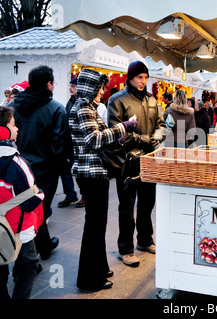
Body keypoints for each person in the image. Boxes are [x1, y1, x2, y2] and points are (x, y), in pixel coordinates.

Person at [69, 68, 137, 291]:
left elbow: (96, 136)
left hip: (94, 173)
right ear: (90, 88)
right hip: (91, 174)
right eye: (99, 88)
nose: (101, 92)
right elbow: (93, 139)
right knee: (95, 227)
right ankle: (90, 279)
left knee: (97, 225)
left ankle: (99, 268)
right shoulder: (83, 108)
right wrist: (122, 127)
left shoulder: (86, 107)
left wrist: (116, 132)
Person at [107, 61, 166, 267]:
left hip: (150, 159)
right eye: (139, 77)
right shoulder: (117, 100)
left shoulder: (152, 100)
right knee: (127, 207)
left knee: (147, 203)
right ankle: (125, 248)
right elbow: (117, 131)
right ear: (130, 77)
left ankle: (145, 240)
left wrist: (158, 135)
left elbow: (161, 124)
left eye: (145, 77)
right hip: (128, 161)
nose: (143, 81)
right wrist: (144, 140)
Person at [0, 103, 44, 299]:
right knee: (29, 264)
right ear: (1, 132)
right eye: (13, 125)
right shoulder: (16, 162)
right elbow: (31, 200)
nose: (17, 129)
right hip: (19, 230)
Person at [10, 65, 64, 260]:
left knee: (26, 208)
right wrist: (61, 169)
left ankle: (43, 245)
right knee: (39, 208)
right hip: (45, 169)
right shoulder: (56, 108)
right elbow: (59, 146)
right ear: (49, 84)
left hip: (17, 168)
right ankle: (32, 255)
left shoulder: (14, 106)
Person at [58, 78, 81, 208]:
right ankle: (70, 194)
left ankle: (84, 196)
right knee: (65, 169)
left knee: (79, 172)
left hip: (79, 143)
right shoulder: (70, 102)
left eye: (73, 85)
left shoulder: (82, 102)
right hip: (68, 142)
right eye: (70, 85)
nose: (70, 88)